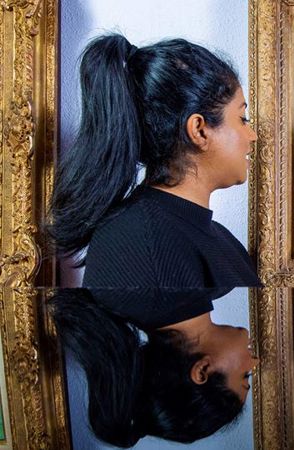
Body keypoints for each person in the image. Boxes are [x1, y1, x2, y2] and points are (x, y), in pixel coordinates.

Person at [47, 34, 259, 288]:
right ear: (199, 130)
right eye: (242, 119)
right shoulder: (141, 244)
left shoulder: (210, 237)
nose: (253, 135)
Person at [49, 289, 257, 448]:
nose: (255, 363)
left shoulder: (162, 278)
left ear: (202, 370)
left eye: (245, 376)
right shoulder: (194, 290)